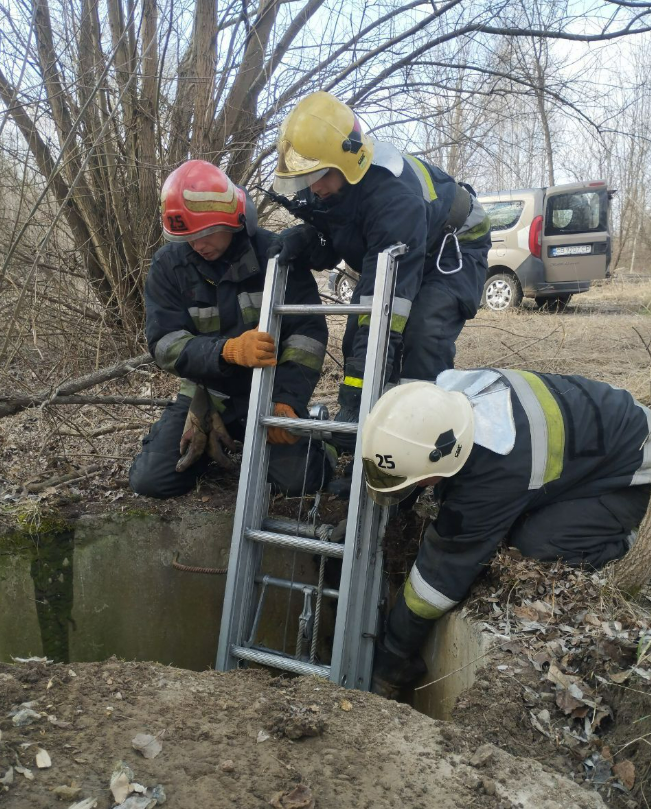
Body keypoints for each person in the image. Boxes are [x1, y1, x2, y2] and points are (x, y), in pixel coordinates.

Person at [361, 368, 651, 697]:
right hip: (590, 439)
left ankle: (612, 539)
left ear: (444, 458)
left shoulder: (495, 468)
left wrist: (395, 652)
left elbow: (443, 572)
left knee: (533, 546)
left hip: (621, 471)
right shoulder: (442, 404)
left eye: (416, 482)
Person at [270, 90, 491, 450]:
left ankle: (417, 448)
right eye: (306, 178)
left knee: (421, 336)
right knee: (359, 330)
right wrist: (304, 240)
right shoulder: (325, 185)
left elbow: (388, 307)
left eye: (319, 176)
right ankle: (363, 431)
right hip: (399, 248)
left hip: (451, 248)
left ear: (348, 162)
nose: (313, 187)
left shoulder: (393, 198)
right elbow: (336, 239)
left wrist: (362, 378)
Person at [129, 160, 332, 499]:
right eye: (187, 238)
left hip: (268, 392)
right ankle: (210, 443)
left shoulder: (276, 257)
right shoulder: (169, 266)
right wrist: (223, 358)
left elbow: (307, 335)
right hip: (205, 393)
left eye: (205, 233)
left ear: (233, 220)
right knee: (151, 481)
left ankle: (318, 439)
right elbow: (164, 344)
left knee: (301, 481)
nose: (197, 245)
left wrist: (287, 399)